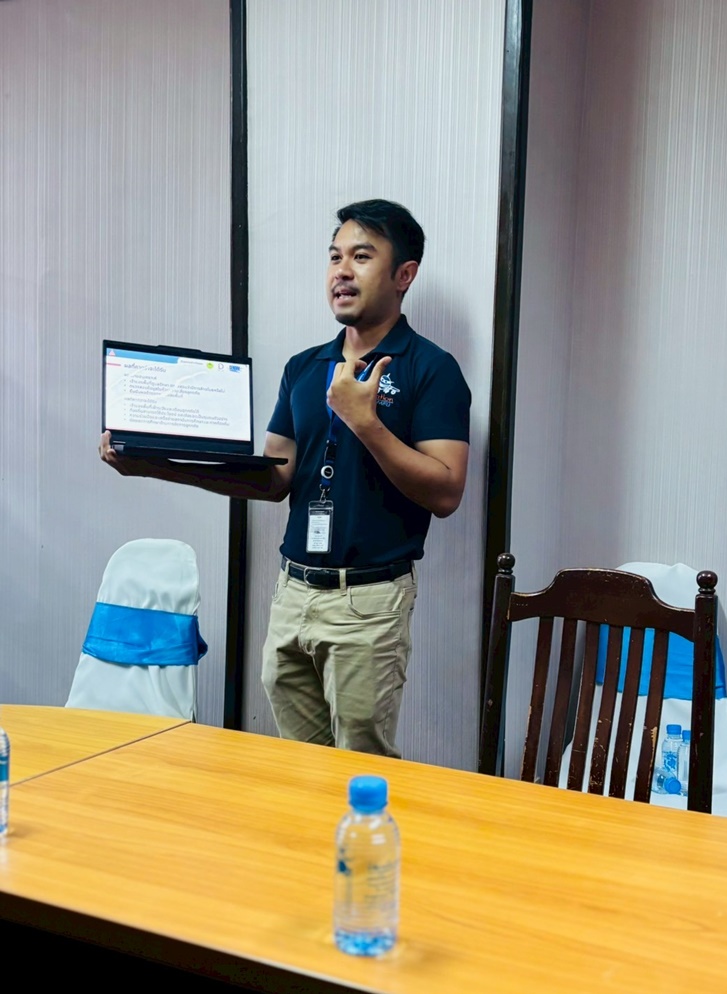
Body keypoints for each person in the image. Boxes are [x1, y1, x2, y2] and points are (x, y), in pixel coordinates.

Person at [100, 198, 471, 757]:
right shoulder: (304, 366)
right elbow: (273, 480)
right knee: (296, 766)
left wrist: (364, 421)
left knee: (361, 765)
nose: (341, 272)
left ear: (404, 275)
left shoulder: (431, 367)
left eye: (361, 257)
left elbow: (446, 491)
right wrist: (154, 464)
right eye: (334, 257)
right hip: (292, 593)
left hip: (368, 601)